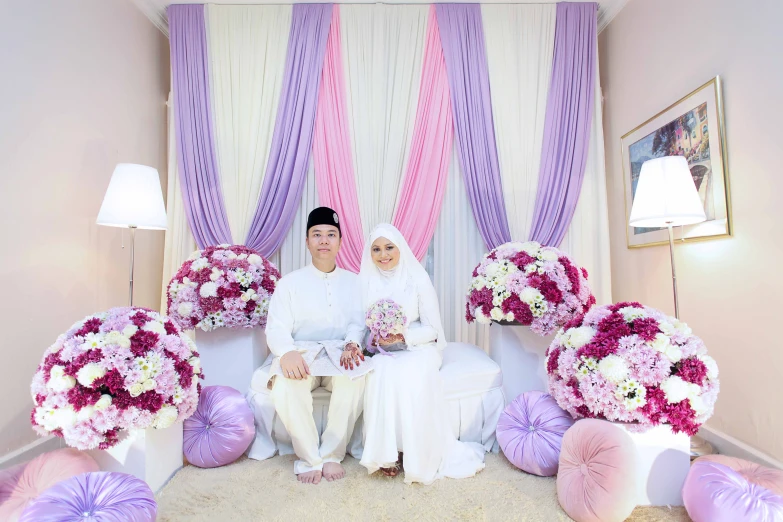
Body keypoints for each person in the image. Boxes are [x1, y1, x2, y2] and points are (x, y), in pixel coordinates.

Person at [358, 223, 485, 484]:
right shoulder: (366, 282)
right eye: (377, 249)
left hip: (420, 346)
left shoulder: (417, 278)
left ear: (400, 248)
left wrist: (403, 336)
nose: (384, 255)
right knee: (380, 372)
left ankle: (414, 452)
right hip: (384, 350)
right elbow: (359, 325)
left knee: (410, 372)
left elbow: (433, 329)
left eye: (389, 247)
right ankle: (388, 451)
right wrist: (373, 340)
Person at [265, 207, 366, 485]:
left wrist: (352, 344)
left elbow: (358, 323)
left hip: (338, 353)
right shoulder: (289, 284)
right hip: (302, 353)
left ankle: (332, 454)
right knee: (286, 385)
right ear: (307, 241)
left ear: (340, 241)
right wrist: (287, 352)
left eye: (331, 234)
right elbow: (276, 326)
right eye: (317, 234)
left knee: (355, 378)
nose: (324, 240)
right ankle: (310, 458)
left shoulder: (354, 282)